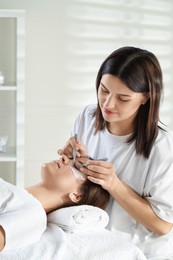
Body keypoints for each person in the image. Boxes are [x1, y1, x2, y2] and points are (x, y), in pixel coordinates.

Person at [58, 46, 173, 259]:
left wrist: (114, 184)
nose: (108, 104)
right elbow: (76, 188)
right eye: (104, 90)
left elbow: (163, 225)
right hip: (95, 247)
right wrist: (76, 163)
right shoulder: (88, 117)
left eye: (123, 98)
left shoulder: (162, 147)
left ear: (146, 97)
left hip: (140, 253)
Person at [0, 155, 110, 253]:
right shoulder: (15, 193)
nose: (64, 158)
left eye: (76, 167)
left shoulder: (33, 216)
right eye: (71, 158)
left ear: (76, 195)